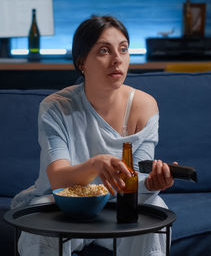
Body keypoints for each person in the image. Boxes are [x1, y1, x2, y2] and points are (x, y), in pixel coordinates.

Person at [11, 15, 177, 256]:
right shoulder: (56, 107)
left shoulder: (145, 106)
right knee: (39, 228)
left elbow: (137, 179)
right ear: (82, 62)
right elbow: (58, 179)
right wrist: (95, 165)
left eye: (123, 49)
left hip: (122, 206)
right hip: (63, 204)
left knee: (155, 209)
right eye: (104, 51)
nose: (117, 59)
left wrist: (151, 183)